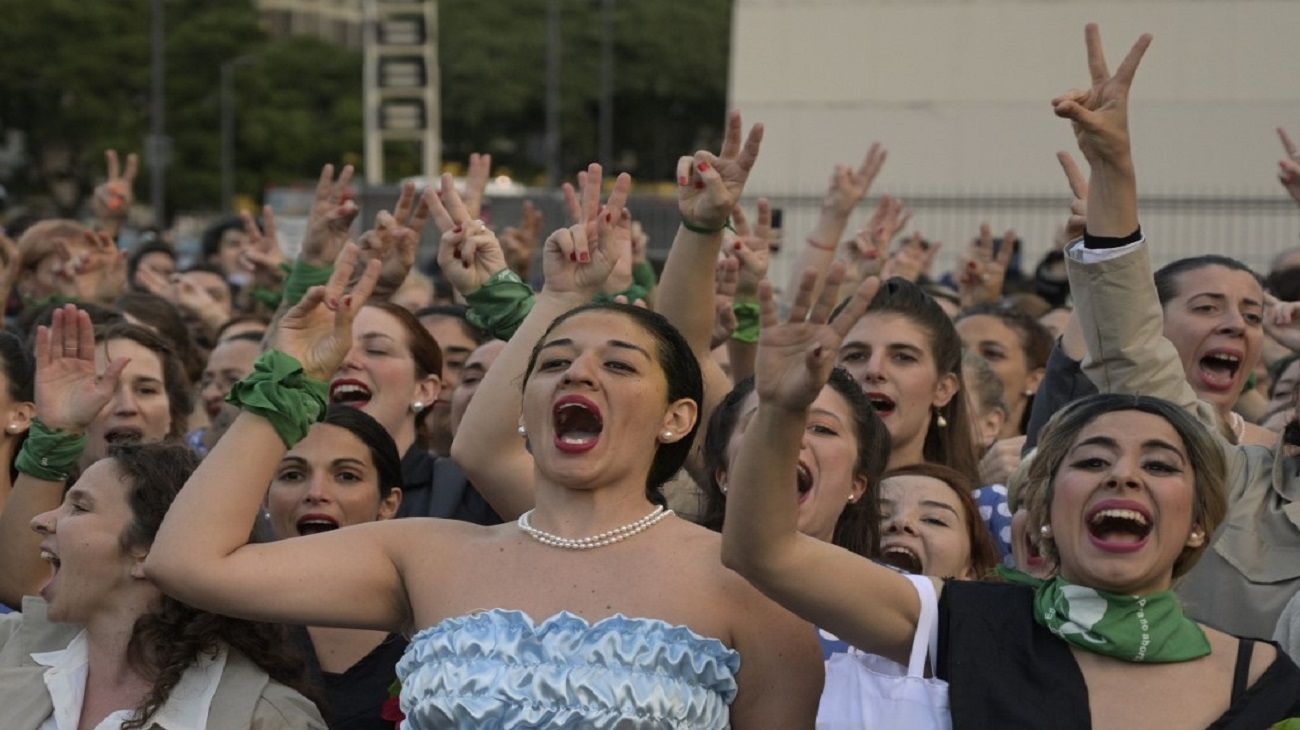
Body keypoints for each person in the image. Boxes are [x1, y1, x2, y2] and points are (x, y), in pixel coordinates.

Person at [146, 187, 822, 727]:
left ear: (677, 418)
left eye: (618, 365)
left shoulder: (750, 582)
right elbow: (187, 562)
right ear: (523, 406)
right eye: (553, 363)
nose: (578, 375)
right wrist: (285, 381)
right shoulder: (427, 555)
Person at [721, 219, 1300, 726]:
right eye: (1093, 460)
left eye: (1159, 465)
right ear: (1042, 512)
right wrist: (780, 412)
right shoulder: (961, 622)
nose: (1123, 477)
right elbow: (764, 551)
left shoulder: (1264, 682)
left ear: (1200, 523)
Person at [1055, 24, 1300, 640]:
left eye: (1248, 313)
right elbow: (1132, 350)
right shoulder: (1230, 484)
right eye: (1209, 307)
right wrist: (1114, 170)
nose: (1231, 326)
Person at [0, 306, 324, 727]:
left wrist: (294, 365)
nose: (41, 521)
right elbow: (23, 582)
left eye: (79, 507)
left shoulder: (263, 717)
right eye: (103, 387)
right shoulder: (15, 650)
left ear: (150, 550)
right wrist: (55, 432)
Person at [0, 309, 190, 607]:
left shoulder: (207, 502)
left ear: (171, 414)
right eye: (102, 388)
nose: (127, 406)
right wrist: (57, 431)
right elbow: (27, 592)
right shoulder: (39, 511)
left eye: (146, 389)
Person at [266, 406, 408, 729]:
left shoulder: (432, 621)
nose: (316, 493)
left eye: (346, 476)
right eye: (292, 475)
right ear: (265, 499)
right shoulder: (226, 623)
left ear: (388, 503)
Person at [835, 276, 980, 479]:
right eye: (855, 355)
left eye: (903, 357)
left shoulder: (984, 508)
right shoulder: (792, 500)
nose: (874, 370)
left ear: (943, 389)